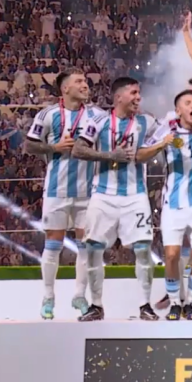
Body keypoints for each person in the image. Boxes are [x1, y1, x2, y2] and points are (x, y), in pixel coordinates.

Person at [71, 77, 166, 321]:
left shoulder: (146, 121)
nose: (138, 98)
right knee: (93, 248)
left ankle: (145, 305)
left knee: (143, 249)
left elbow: (173, 128)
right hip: (103, 194)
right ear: (119, 97)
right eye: (134, 93)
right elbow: (78, 149)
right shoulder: (98, 120)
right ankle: (97, 305)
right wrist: (109, 155)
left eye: (139, 93)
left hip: (135, 195)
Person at [25, 69, 105, 320]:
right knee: (53, 244)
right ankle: (48, 296)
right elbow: (29, 145)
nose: (85, 84)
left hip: (87, 191)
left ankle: (80, 296)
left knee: (86, 246)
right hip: (56, 189)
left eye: (85, 81)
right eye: (79, 81)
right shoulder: (48, 114)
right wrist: (54, 147)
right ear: (65, 89)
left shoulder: (97, 115)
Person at [154, 90, 192, 321]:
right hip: (173, 205)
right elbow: (142, 152)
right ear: (177, 110)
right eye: (188, 103)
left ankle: (189, 303)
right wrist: (161, 144)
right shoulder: (167, 130)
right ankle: (174, 303)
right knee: (171, 255)